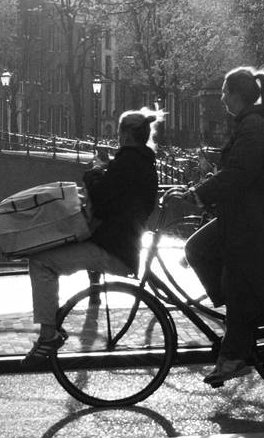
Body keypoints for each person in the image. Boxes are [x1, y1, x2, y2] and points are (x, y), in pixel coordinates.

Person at [20, 109, 161, 366]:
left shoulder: (127, 163)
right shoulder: (144, 163)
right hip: (124, 244)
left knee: (41, 261)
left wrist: (94, 173)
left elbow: (104, 200)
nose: (117, 137)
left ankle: (48, 334)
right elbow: (120, 197)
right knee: (51, 258)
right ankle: (52, 321)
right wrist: (107, 172)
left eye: (119, 132)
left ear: (127, 134)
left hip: (113, 248)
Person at [181, 66, 264, 387]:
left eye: (225, 92)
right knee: (197, 248)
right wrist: (203, 184)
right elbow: (237, 167)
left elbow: (241, 172)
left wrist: (202, 194)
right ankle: (237, 317)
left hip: (257, 219)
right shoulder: (249, 124)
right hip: (245, 214)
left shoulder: (254, 126)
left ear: (237, 95)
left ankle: (234, 353)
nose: (221, 97)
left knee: (235, 280)